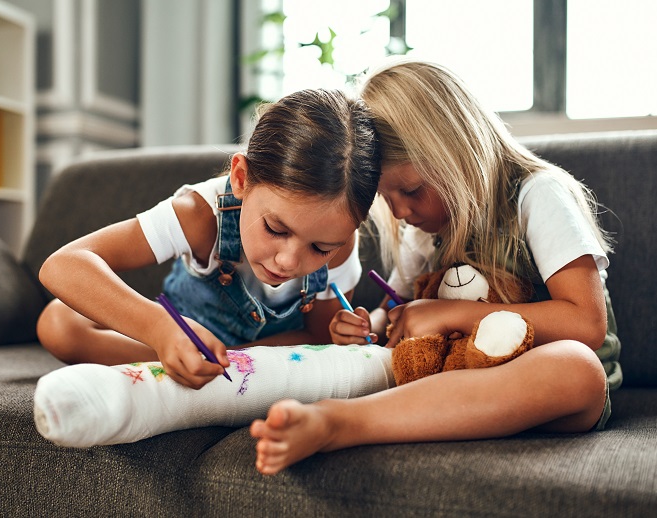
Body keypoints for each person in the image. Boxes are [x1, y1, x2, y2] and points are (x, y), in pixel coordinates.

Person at [249, 58, 621, 475]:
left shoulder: (537, 196)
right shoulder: (425, 230)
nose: (403, 211)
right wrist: (367, 325)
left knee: (577, 369)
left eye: (411, 190)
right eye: (389, 201)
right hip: (454, 379)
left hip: (545, 388)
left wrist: (453, 313)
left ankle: (343, 423)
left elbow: (587, 324)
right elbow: (399, 311)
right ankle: (338, 419)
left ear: (457, 151)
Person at [37, 88, 382, 389]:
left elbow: (317, 336)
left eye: (320, 248)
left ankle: (203, 367)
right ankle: (180, 357)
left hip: (261, 357)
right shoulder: (199, 214)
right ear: (241, 177)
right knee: (58, 323)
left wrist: (341, 333)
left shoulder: (340, 243)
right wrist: (162, 330)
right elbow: (62, 265)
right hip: (182, 331)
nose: (289, 261)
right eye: (276, 229)